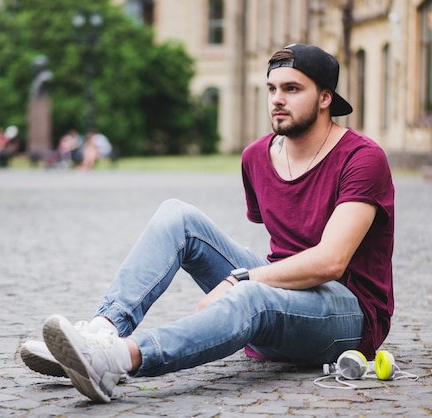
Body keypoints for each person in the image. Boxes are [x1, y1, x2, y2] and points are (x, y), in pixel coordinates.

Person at [20, 44, 395, 404]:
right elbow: (283, 249)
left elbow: (330, 262)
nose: (277, 99)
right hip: (281, 295)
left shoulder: (363, 158)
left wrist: (241, 279)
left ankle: (116, 359)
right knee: (176, 215)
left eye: (292, 89)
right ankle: (101, 334)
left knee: (250, 294)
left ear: (325, 98)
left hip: (348, 315)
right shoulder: (256, 157)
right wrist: (248, 278)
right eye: (272, 89)